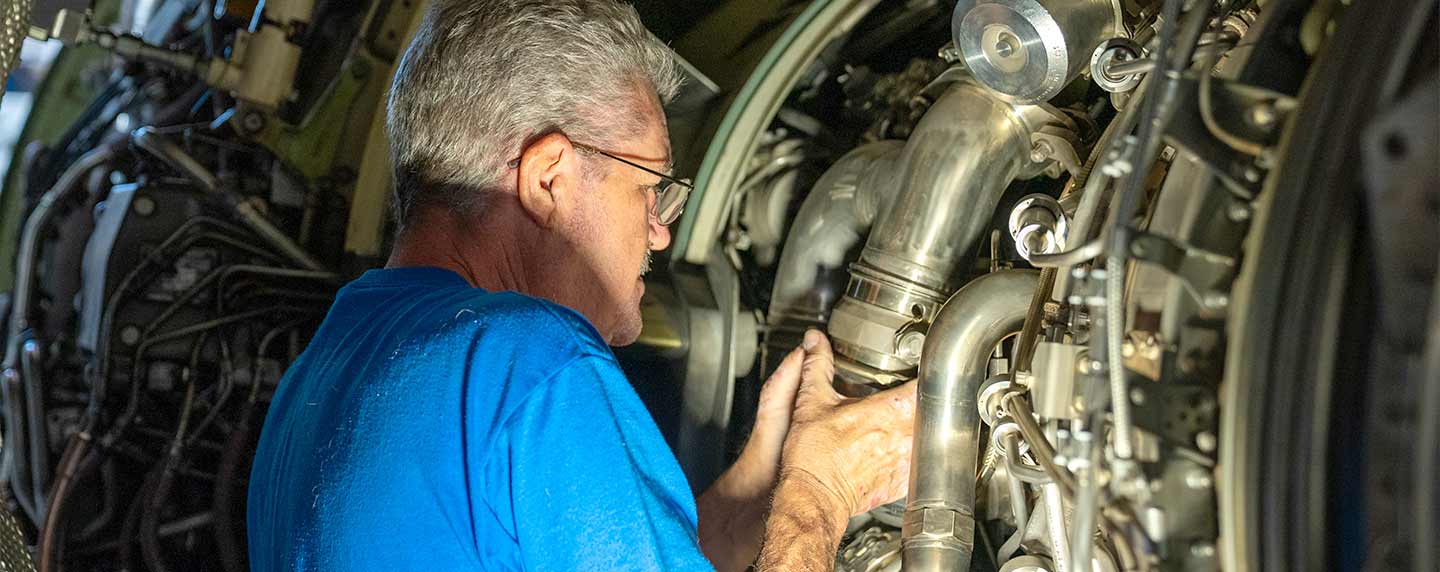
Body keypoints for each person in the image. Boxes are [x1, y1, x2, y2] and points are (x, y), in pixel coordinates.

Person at [246, 1, 916, 570]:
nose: (660, 233)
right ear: (548, 179)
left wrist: (766, 486)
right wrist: (820, 494)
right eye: (650, 189)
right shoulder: (531, 362)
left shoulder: (318, 374)